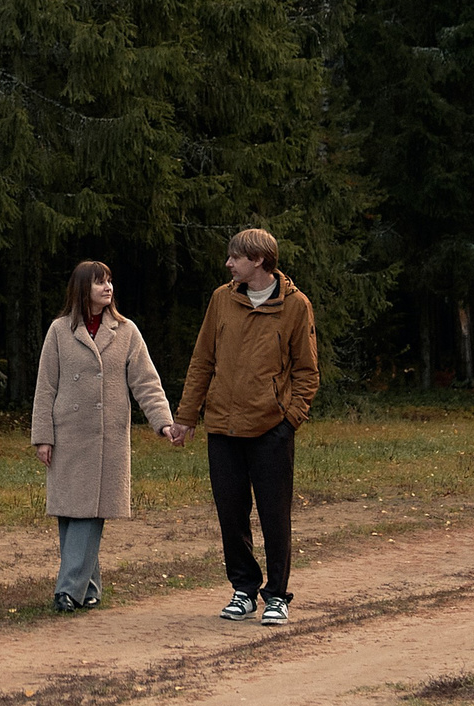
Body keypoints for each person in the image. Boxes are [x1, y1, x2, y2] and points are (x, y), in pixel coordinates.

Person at [169, 228, 318, 626]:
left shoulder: (295, 306)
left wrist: (290, 419)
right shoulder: (222, 299)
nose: (228, 264)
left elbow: (307, 371)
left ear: (258, 261)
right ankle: (243, 590)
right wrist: (186, 418)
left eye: (235, 257)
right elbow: (202, 361)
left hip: (272, 429)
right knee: (231, 514)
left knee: (274, 515)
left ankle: (277, 596)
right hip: (222, 427)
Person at [31, 260, 176, 612]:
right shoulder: (59, 331)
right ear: (83, 289)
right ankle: (90, 588)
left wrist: (163, 422)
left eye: (110, 281)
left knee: (89, 512)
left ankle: (67, 590)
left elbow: (146, 382)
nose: (108, 288)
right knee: (72, 512)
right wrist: (43, 436)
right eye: (99, 283)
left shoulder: (126, 331)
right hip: (68, 436)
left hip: (108, 439)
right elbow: (45, 387)